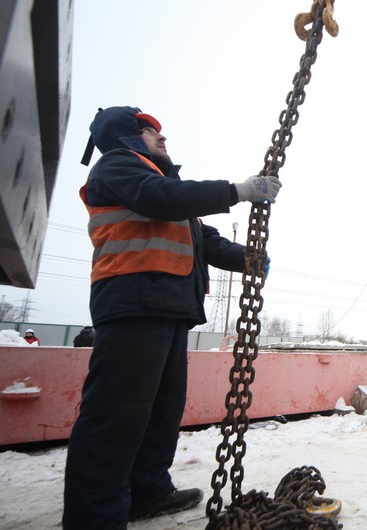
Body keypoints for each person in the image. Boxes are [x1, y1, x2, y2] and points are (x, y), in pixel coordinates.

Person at [63, 106, 281, 530]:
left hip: (167, 308)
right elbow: (159, 201)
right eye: (149, 131)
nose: (162, 138)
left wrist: (248, 257)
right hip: (133, 303)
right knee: (117, 414)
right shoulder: (119, 168)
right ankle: (95, 518)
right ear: (126, 138)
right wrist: (237, 190)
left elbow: (203, 240)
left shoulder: (165, 187)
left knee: (161, 410)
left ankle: (147, 489)